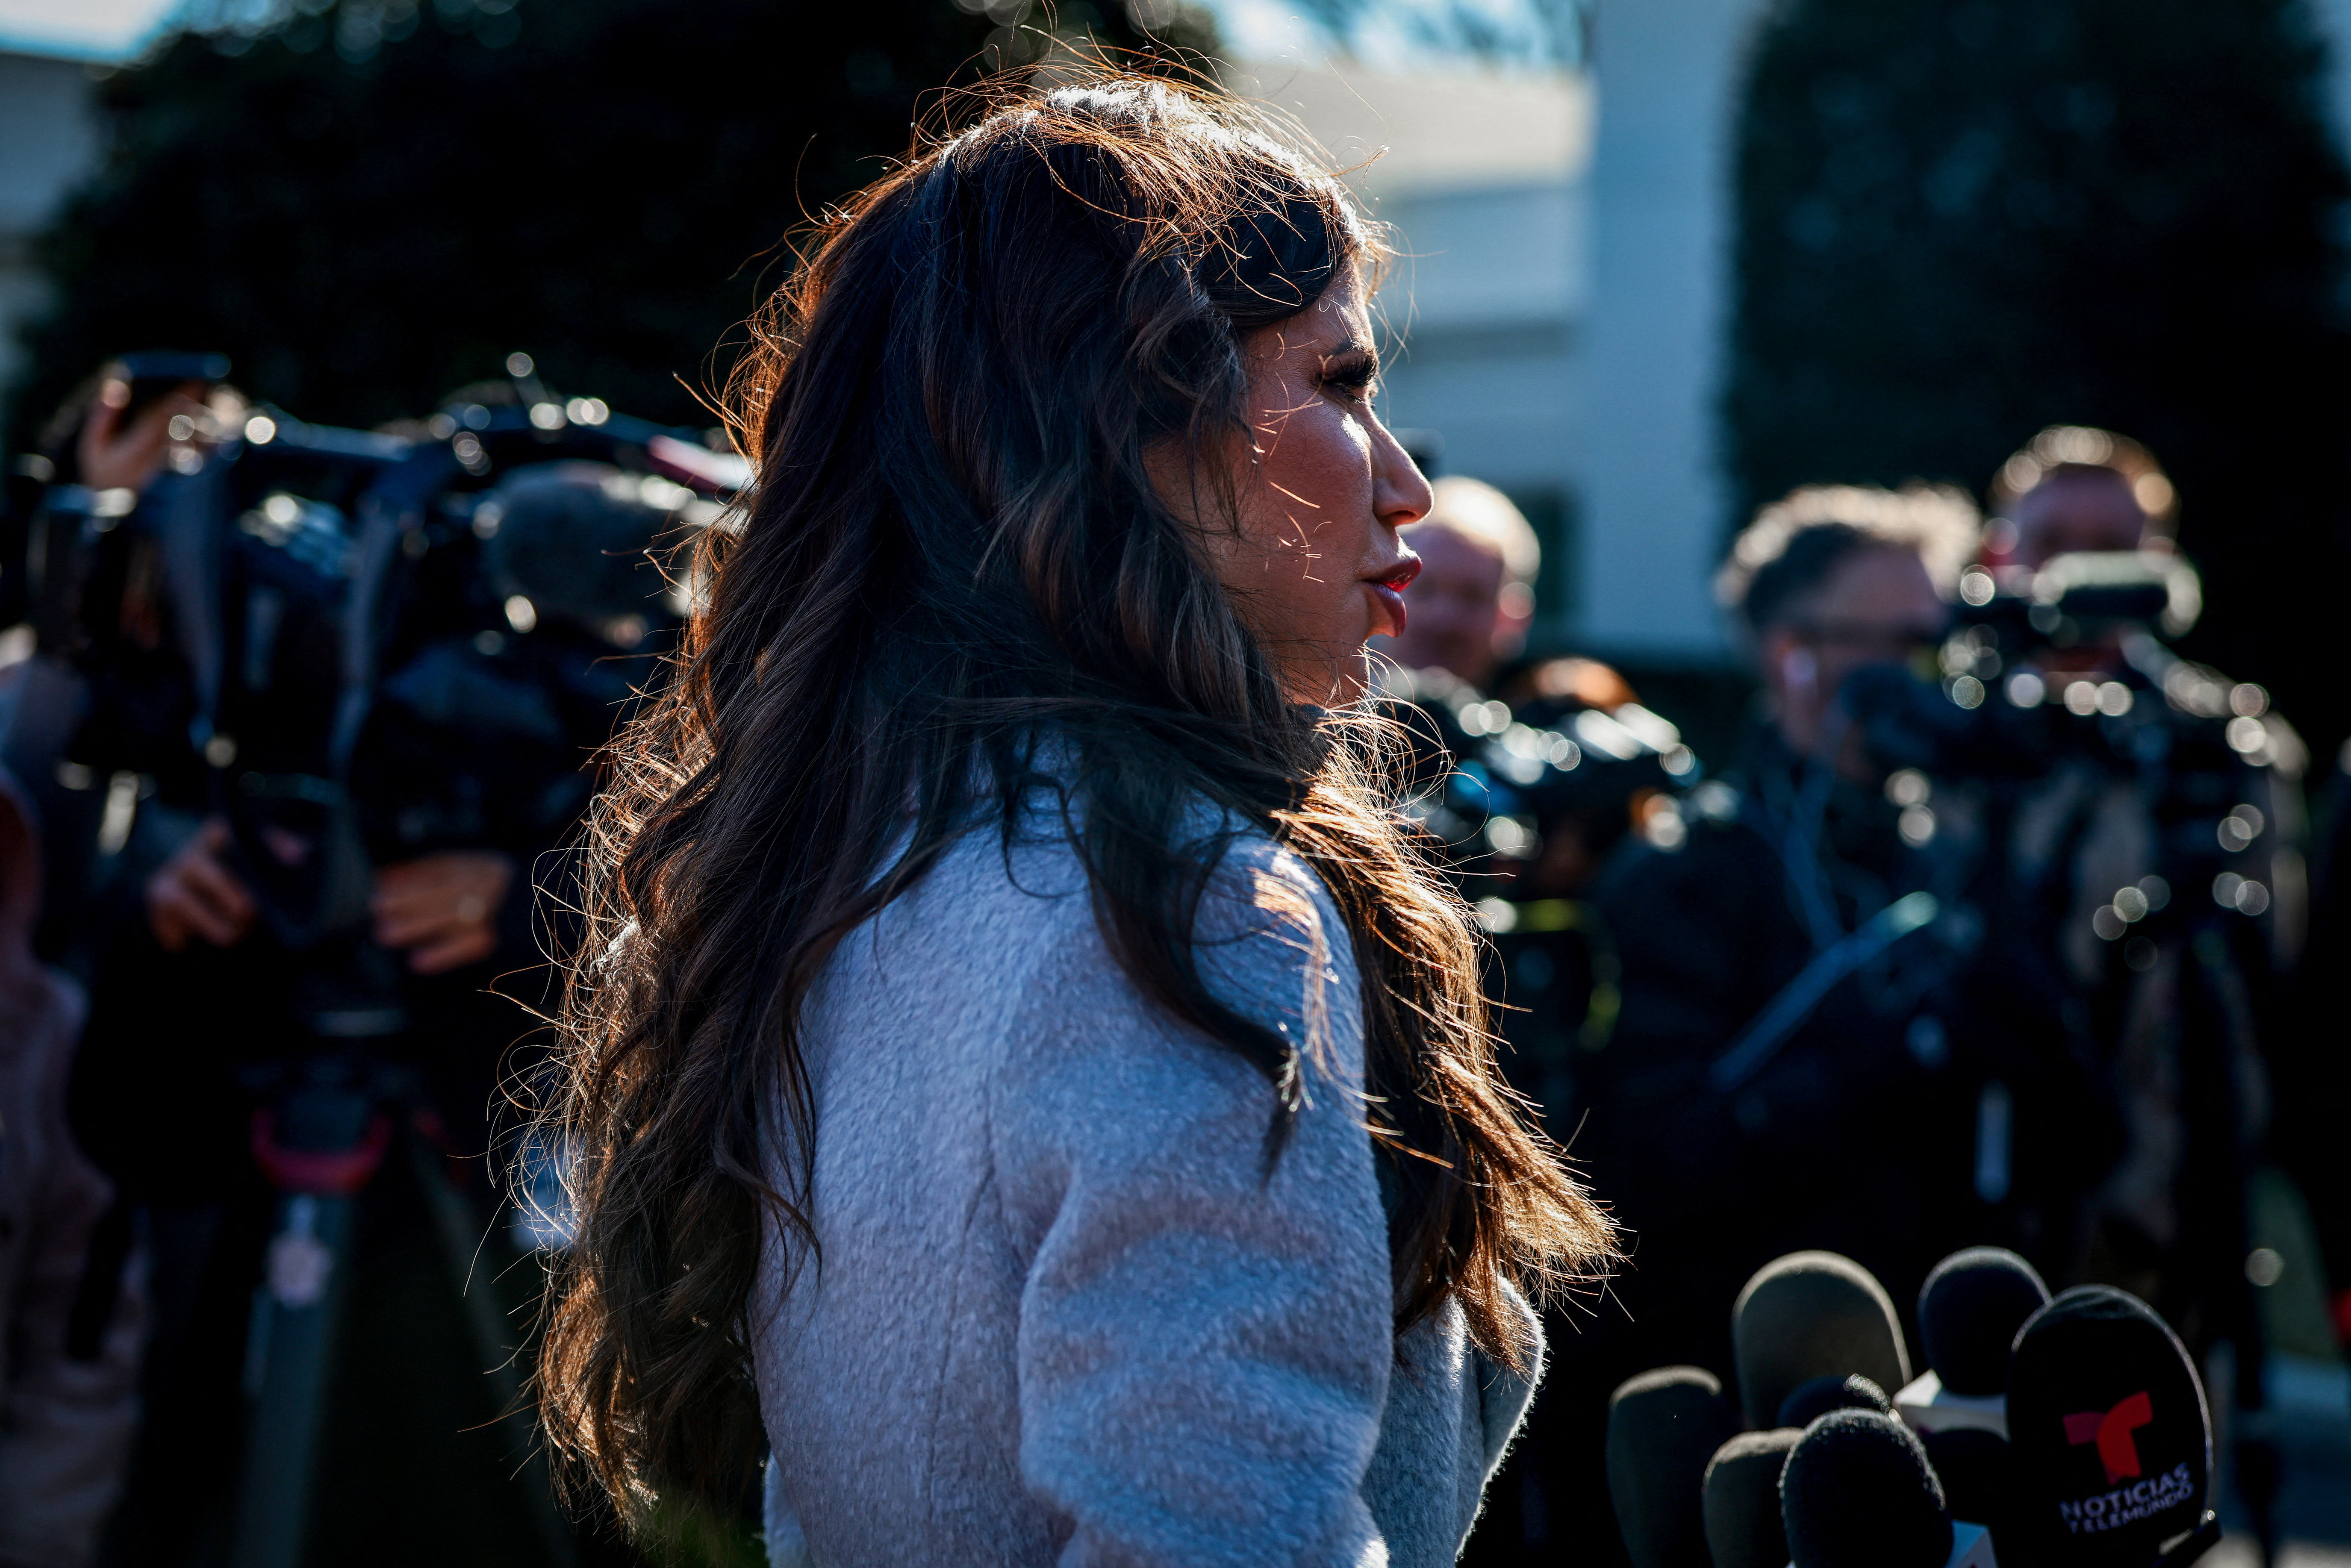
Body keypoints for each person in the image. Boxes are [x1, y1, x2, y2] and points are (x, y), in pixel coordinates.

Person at [535, 75, 1617, 1566]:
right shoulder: (1174, 912)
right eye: (1340, 381)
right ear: (1130, 425)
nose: (1408, 485)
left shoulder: (860, 861)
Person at [1376, 475, 1541, 691]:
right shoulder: (1333, 707)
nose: (1443, 618)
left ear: (1514, 617)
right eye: (1425, 590)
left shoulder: (1544, 709)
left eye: (1472, 597)